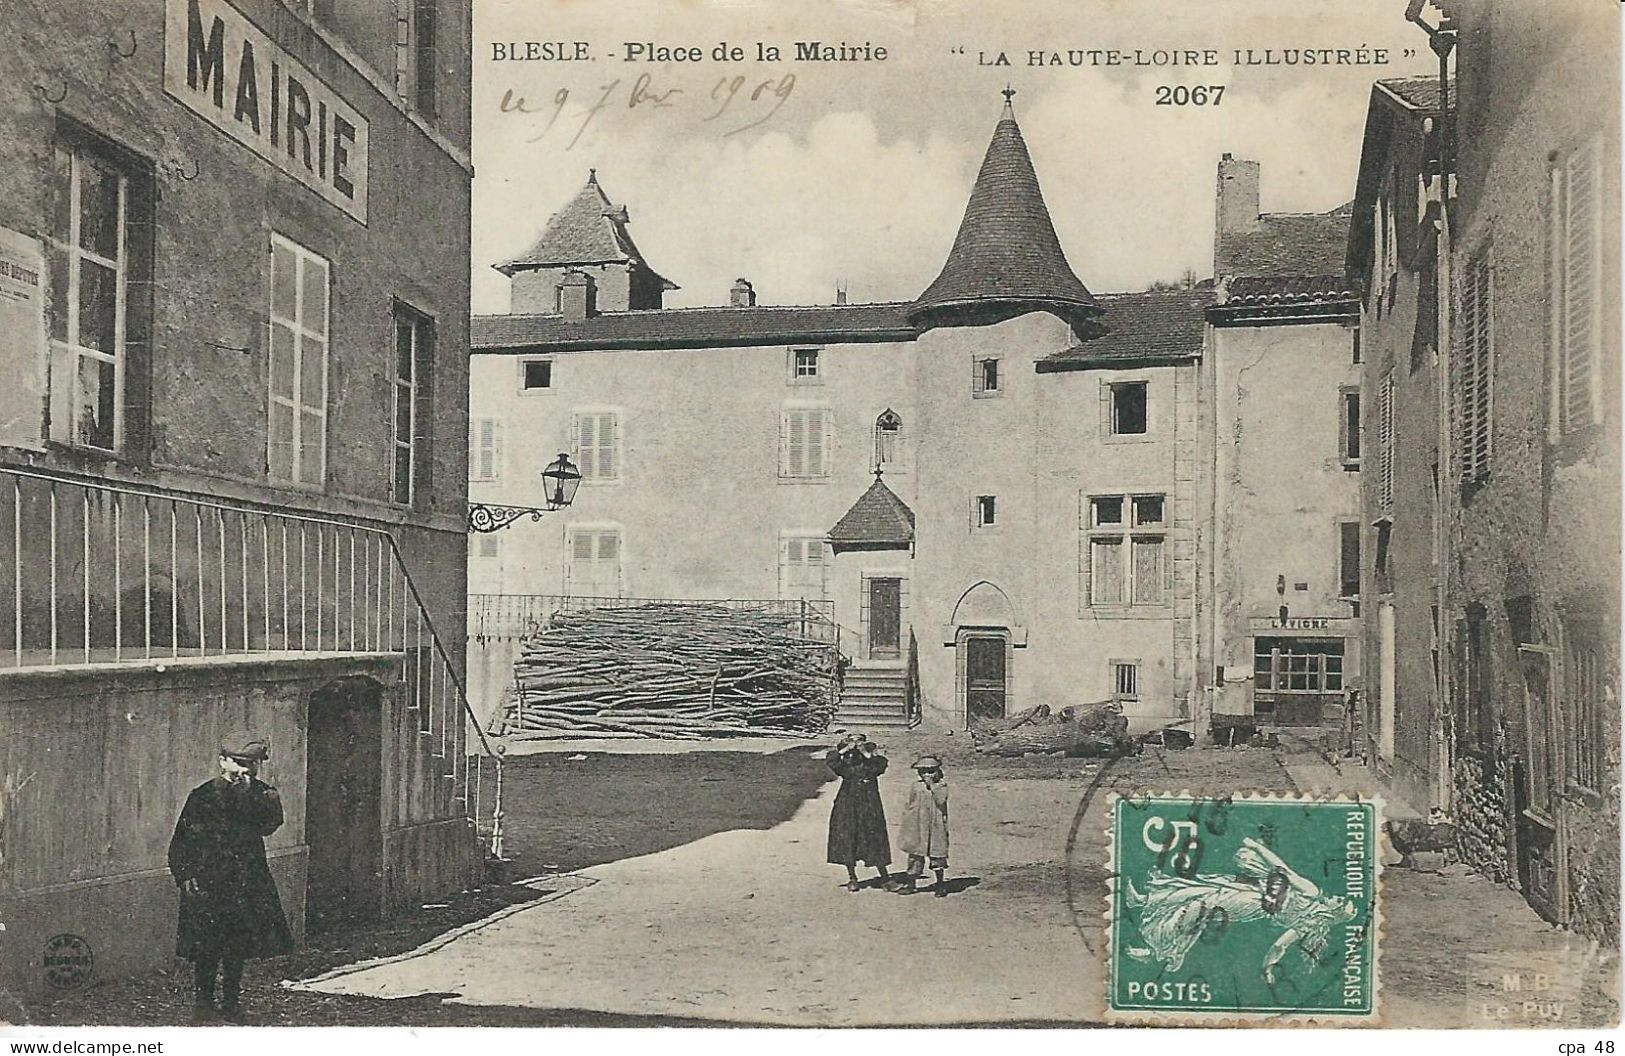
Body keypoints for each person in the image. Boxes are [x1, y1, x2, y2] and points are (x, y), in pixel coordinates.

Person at [167, 739, 293, 1022]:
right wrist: (185, 874)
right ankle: (203, 1007)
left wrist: (263, 801)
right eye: (239, 763)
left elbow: (269, 825)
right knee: (206, 947)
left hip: (245, 881)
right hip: (208, 882)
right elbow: (181, 840)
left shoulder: (262, 795)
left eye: (252, 765)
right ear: (223, 761)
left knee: (237, 946)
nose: (246, 771)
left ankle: (231, 1004)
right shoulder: (202, 796)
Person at [825, 734, 893, 891]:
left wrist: (865, 752)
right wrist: (845, 749)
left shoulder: (872, 762)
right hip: (848, 804)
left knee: (875, 838)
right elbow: (831, 761)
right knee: (848, 837)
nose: (856, 744)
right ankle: (852, 878)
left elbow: (880, 766)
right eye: (852, 741)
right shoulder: (846, 765)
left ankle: (885, 877)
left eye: (859, 740)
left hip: (870, 805)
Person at [896, 753, 950, 897]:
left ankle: (940, 884)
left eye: (931, 771)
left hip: (935, 825)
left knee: (937, 854)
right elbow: (911, 803)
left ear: (938, 771)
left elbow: (941, 801)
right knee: (915, 854)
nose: (927, 774)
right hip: (917, 824)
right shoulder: (916, 786)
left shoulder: (941, 786)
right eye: (923, 771)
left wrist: (931, 785)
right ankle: (912, 884)